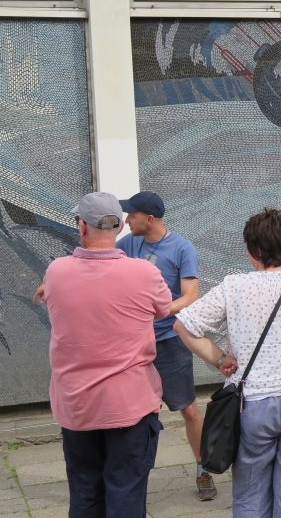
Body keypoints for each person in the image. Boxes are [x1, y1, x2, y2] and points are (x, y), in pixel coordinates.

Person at [173, 208, 281, 518]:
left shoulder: (234, 286)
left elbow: (184, 325)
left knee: (251, 497)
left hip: (255, 402)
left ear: (253, 252)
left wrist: (220, 359)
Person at [39, 192, 172, 518]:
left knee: (84, 494)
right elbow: (164, 308)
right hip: (130, 405)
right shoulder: (144, 273)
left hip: (77, 406)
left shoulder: (56, 272)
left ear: (82, 226)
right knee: (125, 495)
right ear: (122, 224)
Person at [115, 191, 215, 501]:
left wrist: (157, 309)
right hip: (134, 343)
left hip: (170, 343)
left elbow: (189, 297)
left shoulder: (181, 248)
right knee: (136, 416)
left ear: (149, 219)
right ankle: (132, 478)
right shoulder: (127, 244)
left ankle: (203, 469)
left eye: (131, 215)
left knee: (188, 410)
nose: (126, 220)